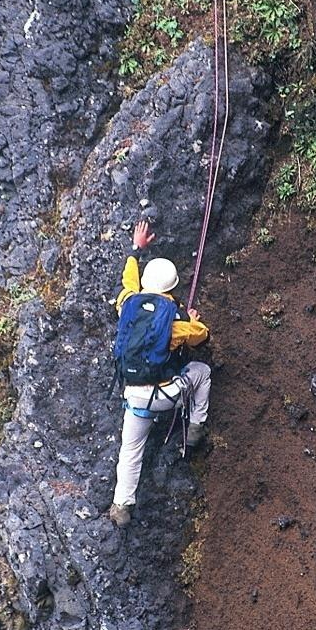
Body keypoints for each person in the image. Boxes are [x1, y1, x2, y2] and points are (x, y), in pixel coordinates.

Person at [108, 219, 211, 528]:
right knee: (202, 373)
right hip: (166, 396)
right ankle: (194, 429)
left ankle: (121, 506)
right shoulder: (175, 322)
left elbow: (128, 281)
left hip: (134, 395)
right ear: (173, 287)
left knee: (130, 450)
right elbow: (201, 335)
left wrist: (136, 249)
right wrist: (189, 319)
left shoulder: (127, 303)